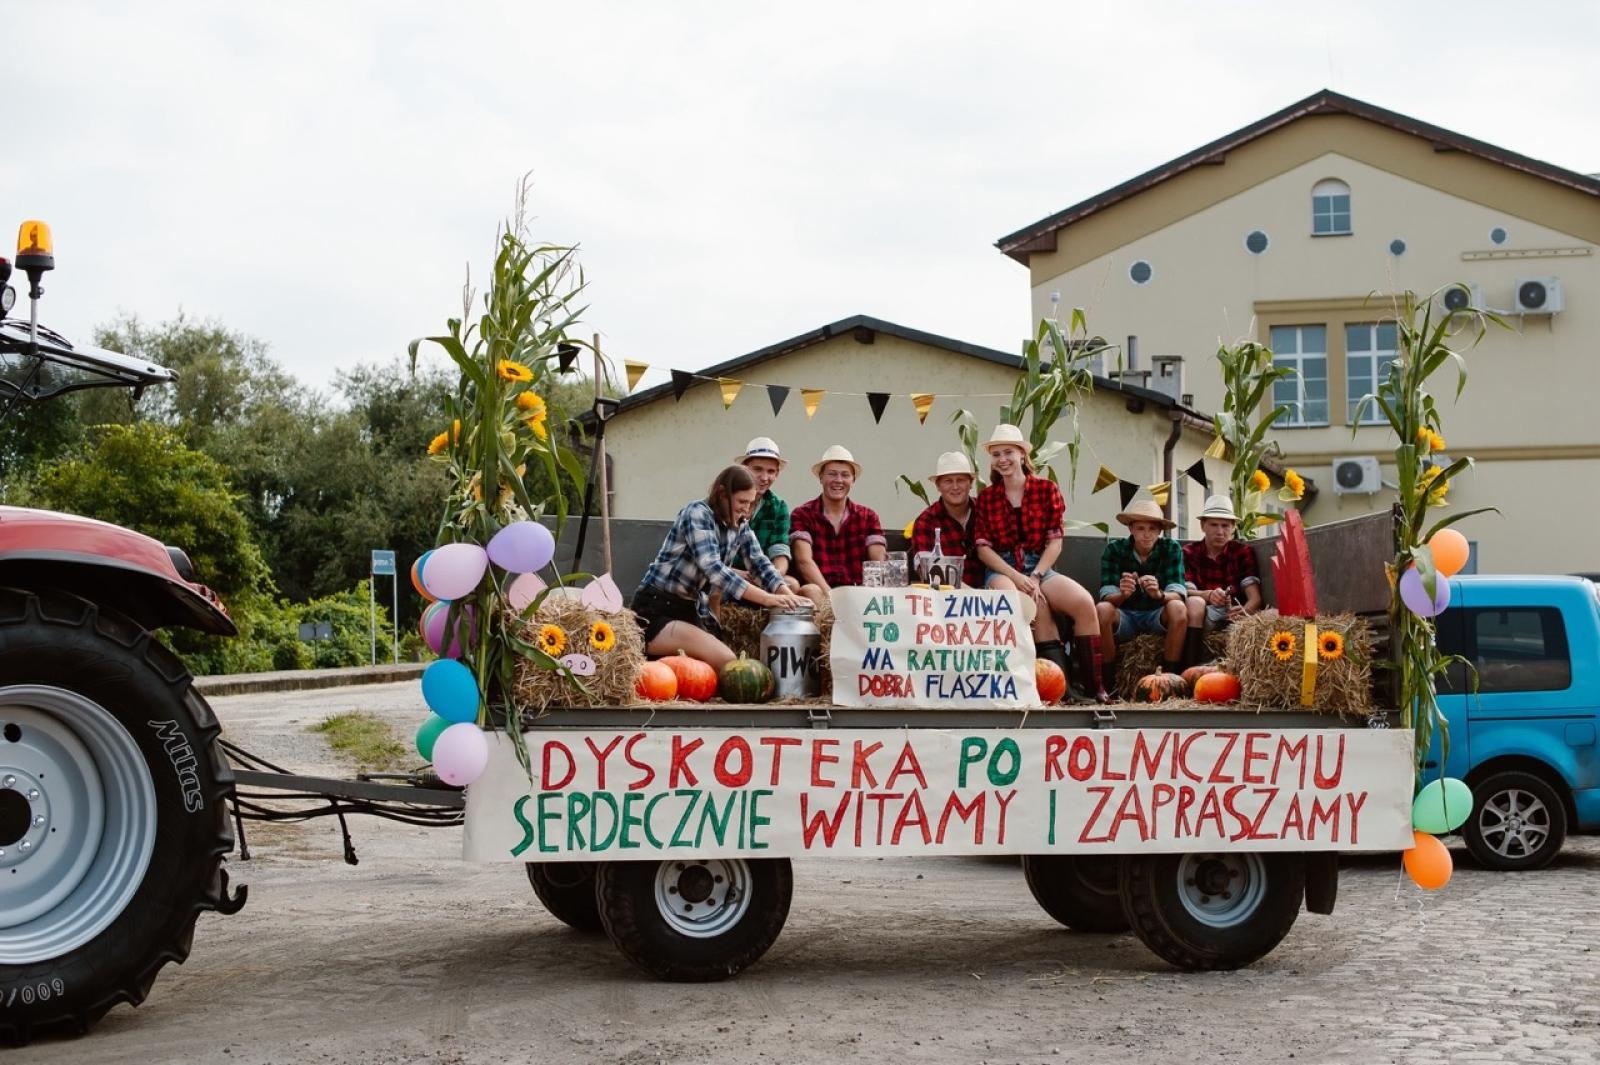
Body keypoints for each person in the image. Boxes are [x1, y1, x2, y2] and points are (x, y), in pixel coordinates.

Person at [972, 424, 1109, 703]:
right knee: (1016, 601)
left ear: (1022, 454)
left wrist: (1035, 576)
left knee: (1083, 602)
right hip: (1002, 567)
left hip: (1039, 565)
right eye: (996, 454)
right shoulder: (987, 497)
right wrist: (1017, 577)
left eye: (1008, 452)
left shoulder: (1046, 490)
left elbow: (1055, 541)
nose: (1002, 459)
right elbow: (983, 549)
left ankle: (1095, 688)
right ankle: (1054, 690)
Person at [630, 465, 810, 669]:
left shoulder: (740, 524)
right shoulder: (696, 513)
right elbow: (713, 568)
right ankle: (648, 652)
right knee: (727, 662)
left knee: (717, 667)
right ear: (723, 494)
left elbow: (760, 564)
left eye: (751, 503)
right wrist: (768, 599)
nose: (746, 509)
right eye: (742, 502)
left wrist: (788, 596)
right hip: (657, 608)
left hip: (690, 610)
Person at [1095, 498, 1190, 679]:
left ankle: (1169, 678)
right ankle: (1107, 679)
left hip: (1156, 614)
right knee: (1102, 610)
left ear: (1160, 531)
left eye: (1152, 529)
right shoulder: (1114, 549)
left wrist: (1159, 594)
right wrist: (1122, 594)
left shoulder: (1171, 548)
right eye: (1140, 528)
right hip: (1125, 615)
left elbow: (1178, 593)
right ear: (1131, 528)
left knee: (1178, 608)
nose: (1146, 534)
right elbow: (1106, 596)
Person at [727, 436, 825, 607]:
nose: (764, 477)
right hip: (726, 575)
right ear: (744, 468)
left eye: (771, 471)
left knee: (793, 585)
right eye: (758, 469)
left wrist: (774, 574)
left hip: (759, 575)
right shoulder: (723, 503)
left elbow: (779, 550)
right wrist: (739, 573)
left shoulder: (778, 506)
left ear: (777, 474)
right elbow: (709, 564)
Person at [790, 445, 887, 592]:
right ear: (821, 478)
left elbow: (878, 562)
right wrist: (833, 599)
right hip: (821, 593)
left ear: (853, 480)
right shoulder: (802, 514)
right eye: (832, 474)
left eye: (845, 475)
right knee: (811, 591)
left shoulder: (868, 516)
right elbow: (804, 561)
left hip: (858, 593)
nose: (838, 480)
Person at [1182, 495, 1265, 653]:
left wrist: (1245, 612)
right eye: (1214, 525)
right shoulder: (1189, 552)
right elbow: (1185, 591)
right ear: (1202, 525)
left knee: (1270, 615)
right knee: (1193, 606)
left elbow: (1255, 598)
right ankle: (1190, 663)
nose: (1220, 532)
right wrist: (1208, 595)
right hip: (1201, 615)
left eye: (1225, 525)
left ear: (1233, 527)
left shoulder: (1242, 552)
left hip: (1233, 614)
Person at [910, 451, 984, 589]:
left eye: (961, 480)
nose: (955, 487)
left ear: (971, 483)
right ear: (938, 486)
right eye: (948, 481)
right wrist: (969, 594)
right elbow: (927, 572)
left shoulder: (984, 511)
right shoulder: (926, 521)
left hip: (994, 598)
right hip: (947, 600)